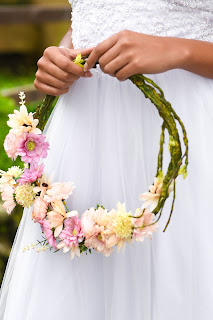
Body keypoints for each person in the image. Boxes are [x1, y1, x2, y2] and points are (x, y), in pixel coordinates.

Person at [1, 0, 213, 319]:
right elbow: (93, 13)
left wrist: (179, 50)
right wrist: (62, 54)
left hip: (186, 130)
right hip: (85, 138)